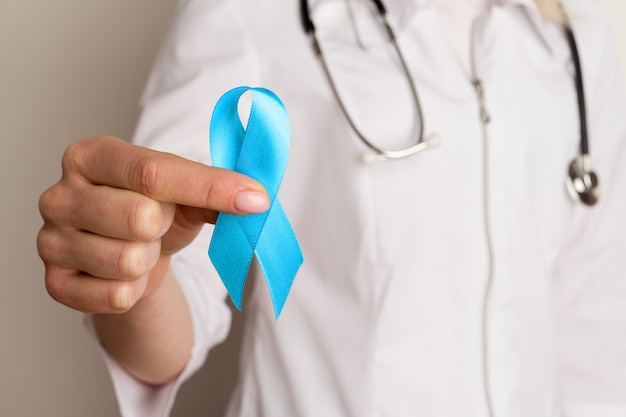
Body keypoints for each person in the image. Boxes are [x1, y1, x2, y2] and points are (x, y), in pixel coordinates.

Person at [37, 0, 626, 416]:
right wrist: (137, 267)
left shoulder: (576, 40)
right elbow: (177, 298)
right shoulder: (255, 15)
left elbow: (591, 337)